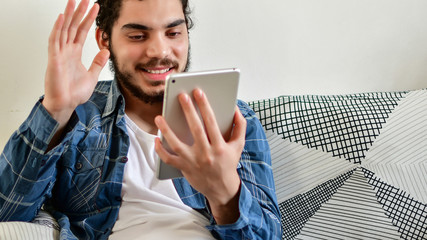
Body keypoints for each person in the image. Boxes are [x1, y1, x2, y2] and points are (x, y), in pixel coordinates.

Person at [0, 0, 281, 239]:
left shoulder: (233, 119)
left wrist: (224, 193)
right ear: (104, 39)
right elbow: (7, 216)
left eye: (173, 33)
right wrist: (56, 110)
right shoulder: (78, 115)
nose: (159, 51)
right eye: (137, 36)